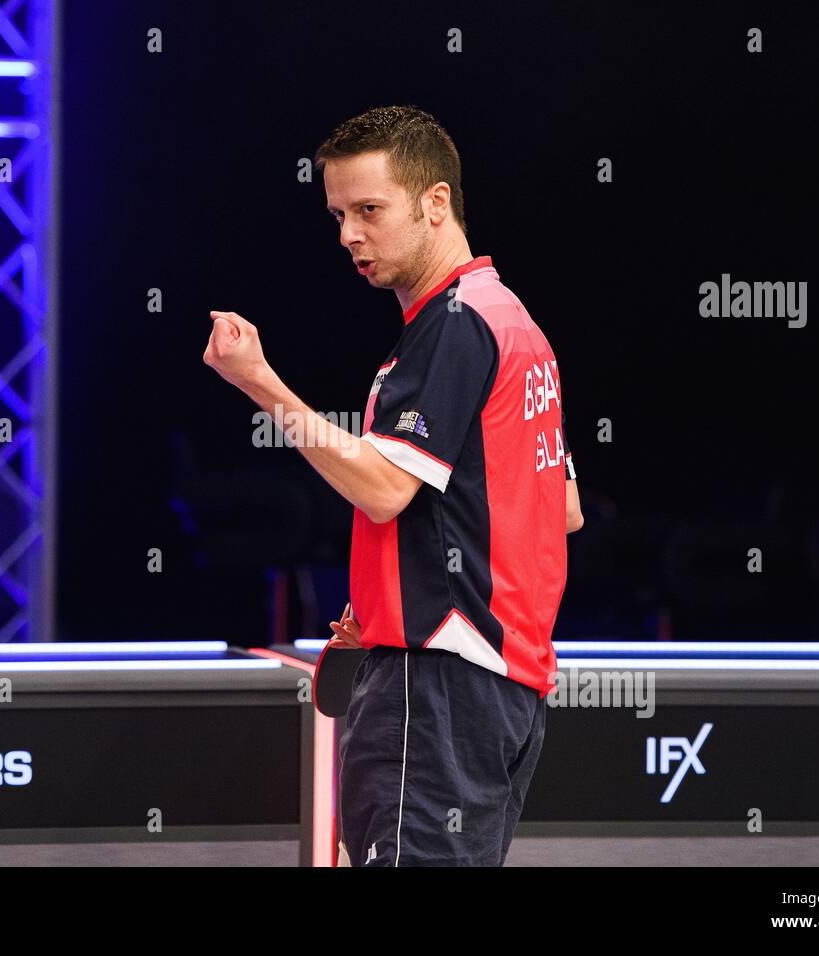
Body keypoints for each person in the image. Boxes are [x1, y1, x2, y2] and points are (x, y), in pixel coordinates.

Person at [203, 105, 580, 865]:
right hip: (507, 691)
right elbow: (560, 509)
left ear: (435, 202)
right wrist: (388, 590)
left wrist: (259, 383)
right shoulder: (516, 325)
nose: (348, 234)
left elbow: (382, 490)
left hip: (436, 691)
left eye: (369, 210)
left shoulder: (452, 326)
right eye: (338, 214)